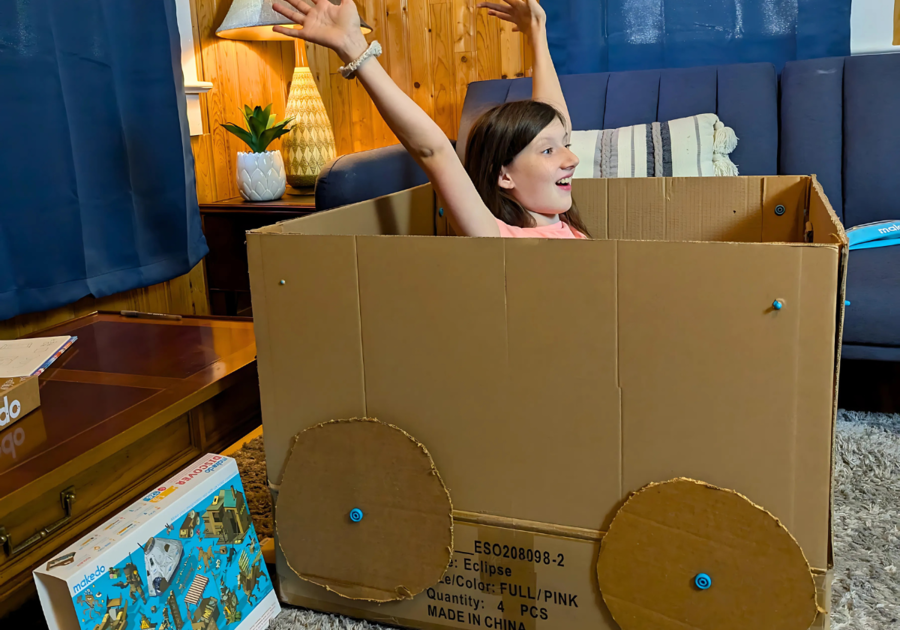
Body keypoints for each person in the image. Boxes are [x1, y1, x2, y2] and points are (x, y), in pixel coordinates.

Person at [273, 0, 589, 239]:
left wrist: (537, 31)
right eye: (549, 151)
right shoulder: (501, 240)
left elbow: (555, 119)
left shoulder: (564, 224)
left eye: (565, 145)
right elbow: (433, 150)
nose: (572, 158)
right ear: (504, 176)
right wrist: (354, 49)